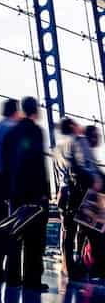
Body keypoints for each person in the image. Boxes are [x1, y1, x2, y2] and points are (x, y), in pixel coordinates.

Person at [3, 97, 50, 292]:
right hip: (33, 191)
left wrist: (7, 189)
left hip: (15, 191)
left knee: (14, 232)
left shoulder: (10, 132)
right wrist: (44, 192)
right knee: (35, 237)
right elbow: (37, 162)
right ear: (35, 110)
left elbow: (6, 163)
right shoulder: (35, 131)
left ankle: (12, 276)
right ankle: (32, 279)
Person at [54, 118, 102, 281]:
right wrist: (97, 180)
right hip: (80, 192)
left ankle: (68, 267)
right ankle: (97, 267)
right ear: (73, 127)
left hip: (63, 192)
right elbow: (85, 165)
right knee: (93, 230)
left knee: (68, 231)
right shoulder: (78, 141)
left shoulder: (58, 147)